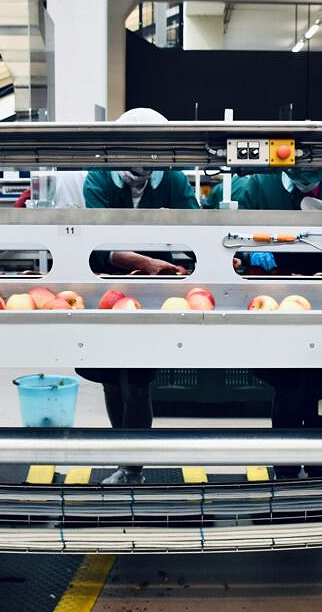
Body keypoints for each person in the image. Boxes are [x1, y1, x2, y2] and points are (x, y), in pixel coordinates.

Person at [214, 167, 322, 480]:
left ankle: (319, 466)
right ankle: (284, 468)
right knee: (288, 383)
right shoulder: (259, 185)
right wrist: (251, 252)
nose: (307, 182)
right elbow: (231, 238)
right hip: (275, 299)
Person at [76, 108, 199, 484]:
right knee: (112, 377)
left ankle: (133, 467)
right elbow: (94, 243)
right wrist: (141, 260)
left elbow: (195, 227)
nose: (144, 160)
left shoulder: (173, 180)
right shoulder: (98, 179)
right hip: (108, 289)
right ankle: (122, 457)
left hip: (153, 293)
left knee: (138, 379)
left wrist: (192, 260)